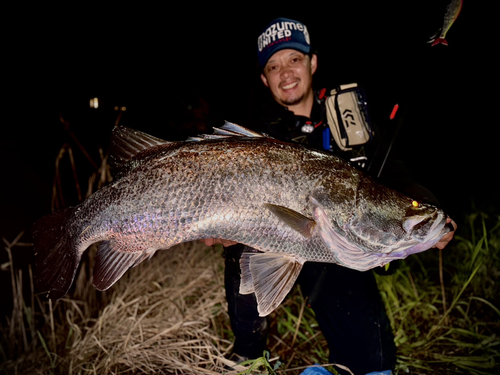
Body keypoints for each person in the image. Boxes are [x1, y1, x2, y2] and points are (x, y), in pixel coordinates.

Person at [205, 17, 456, 375]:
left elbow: (396, 176)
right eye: (273, 66)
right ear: (264, 79)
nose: (285, 73)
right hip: (273, 241)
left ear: (313, 63)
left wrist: (424, 206)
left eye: (294, 59)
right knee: (243, 240)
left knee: (375, 364)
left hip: (333, 246)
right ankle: (249, 352)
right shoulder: (257, 135)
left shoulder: (348, 117)